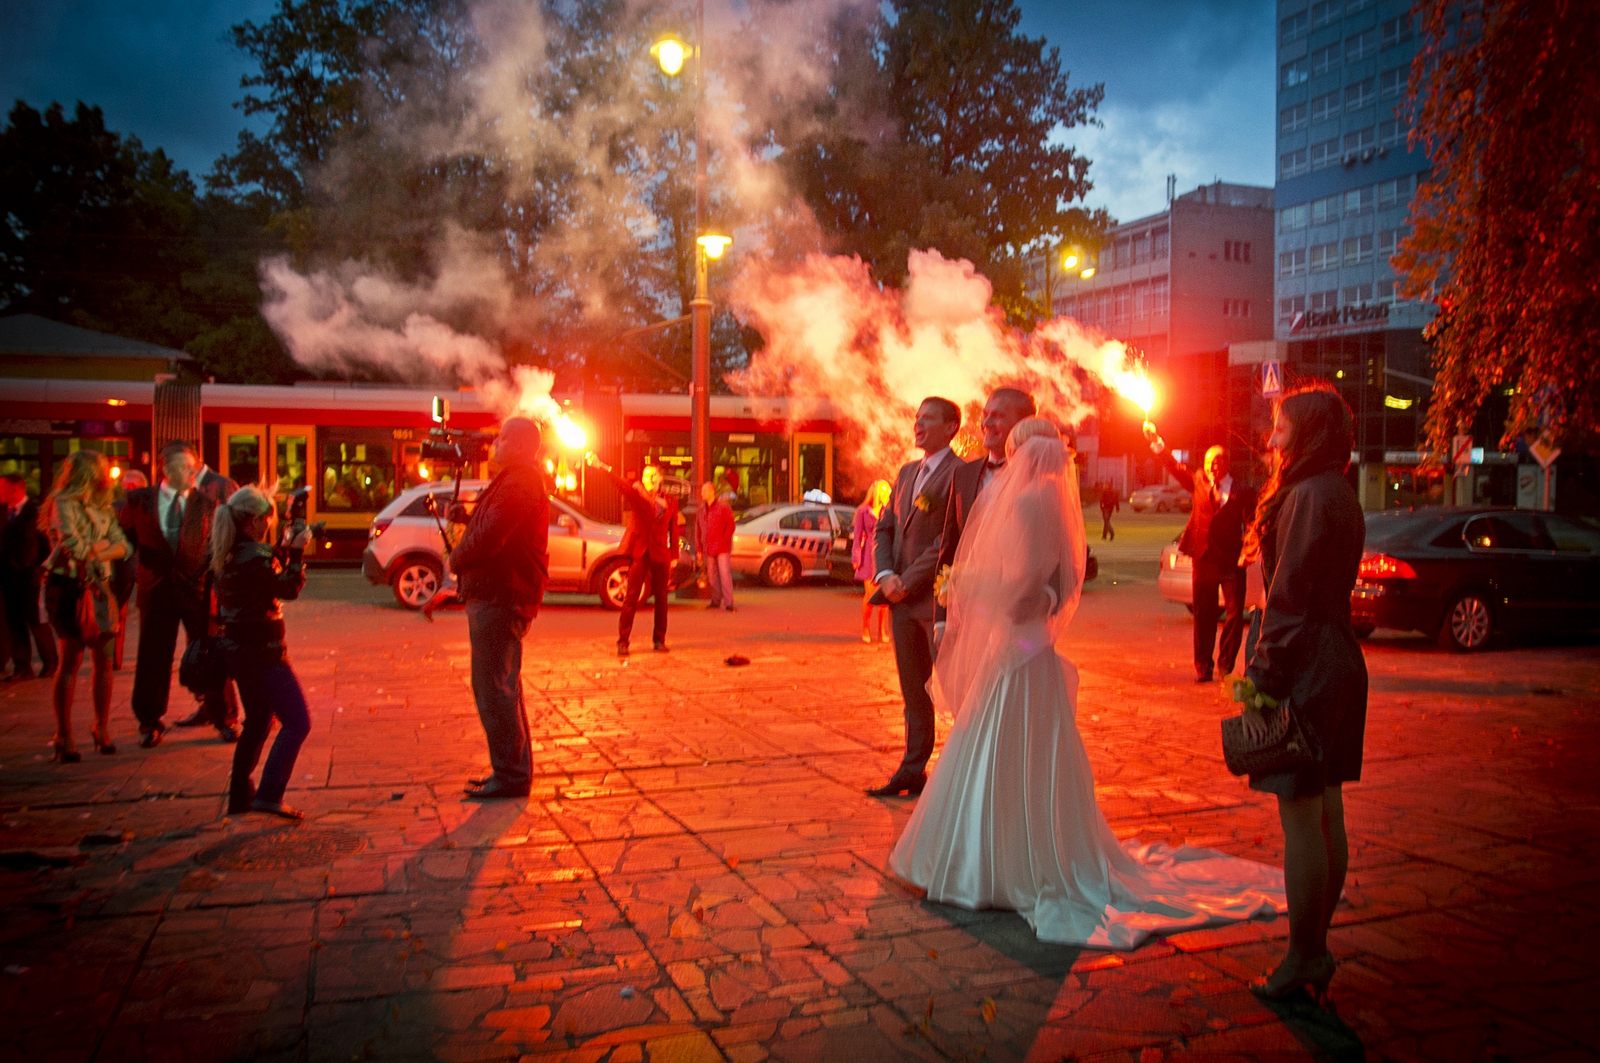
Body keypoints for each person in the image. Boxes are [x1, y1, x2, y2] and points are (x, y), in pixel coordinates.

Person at [889, 417, 1286, 947]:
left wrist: (972, 587)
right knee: (1033, 751)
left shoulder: (1029, 502)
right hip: (1033, 646)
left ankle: (990, 860)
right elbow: (1060, 581)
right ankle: (1028, 848)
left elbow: (1025, 582)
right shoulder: (1055, 501)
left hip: (1017, 645)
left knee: (1000, 745)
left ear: (1024, 455)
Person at [1236, 386, 1368, 1004]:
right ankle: (1316, 944)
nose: (1272, 439)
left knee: (1302, 817)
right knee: (1327, 810)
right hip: (1339, 655)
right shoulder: (1338, 490)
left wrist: (1261, 678)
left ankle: (1304, 954)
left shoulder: (1310, 496)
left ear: (1308, 434)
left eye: (1282, 429)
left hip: (1309, 661)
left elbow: (1287, 598)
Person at [448, 418, 550, 800]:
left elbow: (491, 536)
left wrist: (455, 560)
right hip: (499, 593)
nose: (495, 444)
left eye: (503, 438)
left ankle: (510, 774)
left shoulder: (522, 481)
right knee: (504, 685)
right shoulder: (514, 481)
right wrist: (466, 516)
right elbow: (489, 522)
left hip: (501, 594)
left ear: (522, 445)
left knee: (493, 686)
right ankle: (512, 771)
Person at [865, 396, 962, 798]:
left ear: (951, 427)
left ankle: (959, 774)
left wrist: (908, 579)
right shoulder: (906, 473)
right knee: (912, 692)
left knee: (954, 689)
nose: (918, 425)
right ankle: (911, 769)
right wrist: (886, 575)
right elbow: (884, 527)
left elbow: (949, 537)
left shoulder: (961, 474)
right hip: (900, 602)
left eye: (928, 419)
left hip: (936, 602)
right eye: (916, 419)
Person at [119, 441, 230, 747]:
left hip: (196, 590)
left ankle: (223, 716)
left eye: (194, 467)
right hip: (156, 591)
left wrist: (220, 594)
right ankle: (149, 721)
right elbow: (124, 541)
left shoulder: (207, 504)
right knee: (153, 659)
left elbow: (215, 551)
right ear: (165, 468)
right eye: (184, 467)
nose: (192, 473)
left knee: (209, 655)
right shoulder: (139, 500)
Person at [213, 483, 313, 819]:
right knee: (297, 722)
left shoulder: (229, 550)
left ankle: (240, 793)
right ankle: (269, 794)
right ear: (254, 521)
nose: (268, 525)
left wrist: (281, 550)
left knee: (257, 721)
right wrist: (296, 553)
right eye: (266, 520)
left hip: (238, 652)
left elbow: (261, 578)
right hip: (263, 653)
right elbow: (288, 588)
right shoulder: (254, 557)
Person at [1143, 431, 1256, 682]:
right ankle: (1203, 665)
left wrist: (1251, 547)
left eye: (1215, 462)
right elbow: (1174, 467)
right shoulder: (1197, 481)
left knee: (1236, 614)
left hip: (1231, 560)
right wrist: (1158, 444)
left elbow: (1252, 522)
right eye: (1206, 462)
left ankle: (1226, 666)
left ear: (1226, 463)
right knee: (1203, 614)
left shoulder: (1242, 490)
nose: (1210, 467)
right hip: (1203, 557)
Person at [40, 450, 130, 761]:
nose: (108, 475)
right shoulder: (62, 503)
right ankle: (64, 733)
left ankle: (101, 727)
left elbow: (124, 547)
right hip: (68, 587)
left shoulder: (101, 506)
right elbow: (74, 546)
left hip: (100, 587)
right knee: (70, 660)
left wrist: (97, 550)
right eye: (103, 470)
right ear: (87, 473)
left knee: (105, 662)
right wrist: (103, 547)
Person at [934, 387, 1036, 643]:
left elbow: (1050, 555)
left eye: (998, 416)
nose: (987, 423)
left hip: (1014, 625)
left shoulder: (1037, 480)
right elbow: (949, 548)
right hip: (965, 620)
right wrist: (941, 618)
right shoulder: (964, 475)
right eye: (985, 414)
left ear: (1022, 425)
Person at [174, 460, 242, 732]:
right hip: (193, 586)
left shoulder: (220, 486)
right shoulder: (189, 489)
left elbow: (232, 533)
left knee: (214, 650)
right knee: (202, 651)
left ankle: (225, 715)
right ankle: (211, 708)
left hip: (210, 586)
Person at [586, 458, 679, 657]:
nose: (649, 479)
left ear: (660, 478)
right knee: (631, 597)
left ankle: (659, 640)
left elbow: (673, 529)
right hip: (641, 551)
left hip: (661, 553)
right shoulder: (637, 495)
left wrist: (674, 555)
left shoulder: (670, 501)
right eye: (646, 476)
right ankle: (623, 641)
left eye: (653, 476)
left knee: (662, 599)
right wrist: (601, 466)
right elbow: (620, 484)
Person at [2, 473, 59, 681]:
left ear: (17, 488)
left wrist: (42, 569)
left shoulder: (35, 513)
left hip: (30, 576)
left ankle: (50, 662)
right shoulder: (4, 513)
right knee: (14, 621)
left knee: (36, 619)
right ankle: (22, 666)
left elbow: (45, 542)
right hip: (8, 577)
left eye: (3, 488)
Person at [109, 469, 148, 671]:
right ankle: (147, 658)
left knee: (118, 613)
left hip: (121, 564)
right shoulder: (152, 504)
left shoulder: (115, 506)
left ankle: (115, 658)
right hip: (145, 565)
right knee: (148, 615)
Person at [852, 480, 892, 644]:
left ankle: (881, 630)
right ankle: (866, 628)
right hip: (868, 554)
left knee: (884, 596)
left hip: (884, 554)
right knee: (870, 595)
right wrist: (856, 557)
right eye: (884, 492)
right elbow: (857, 536)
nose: (886, 495)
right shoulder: (863, 511)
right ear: (876, 493)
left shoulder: (888, 511)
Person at [695, 481, 735, 611]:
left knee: (724, 574)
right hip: (709, 546)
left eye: (704, 491)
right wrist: (699, 548)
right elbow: (698, 529)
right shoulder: (701, 509)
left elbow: (730, 525)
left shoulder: (723, 507)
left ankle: (728, 603)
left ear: (712, 492)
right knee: (712, 576)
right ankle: (715, 600)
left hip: (721, 547)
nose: (702, 493)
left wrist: (724, 540)